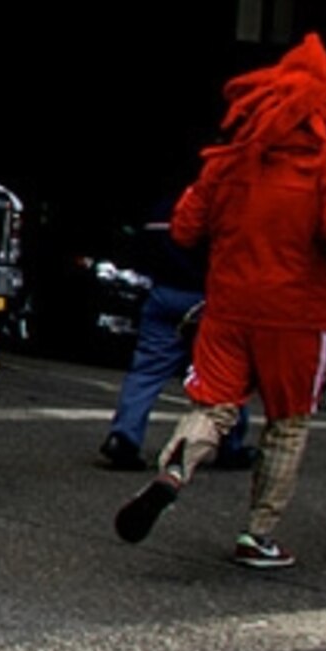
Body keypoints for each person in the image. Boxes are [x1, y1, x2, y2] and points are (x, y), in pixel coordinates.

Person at [112, 34, 326, 570]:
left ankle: (173, 472)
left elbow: (183, 227)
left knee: (213, 409)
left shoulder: (227, 163)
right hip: (298, 316)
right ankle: (257, 534)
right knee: (287, 423)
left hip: (228, 305)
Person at [97, 190, 252, 474]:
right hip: (211, 298)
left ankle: (124, 436)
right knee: (225, 372)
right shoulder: (232, 204)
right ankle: (230, 444)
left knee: (147, 370)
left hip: (164, 293)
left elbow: (143, 247)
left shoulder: (167, 206)